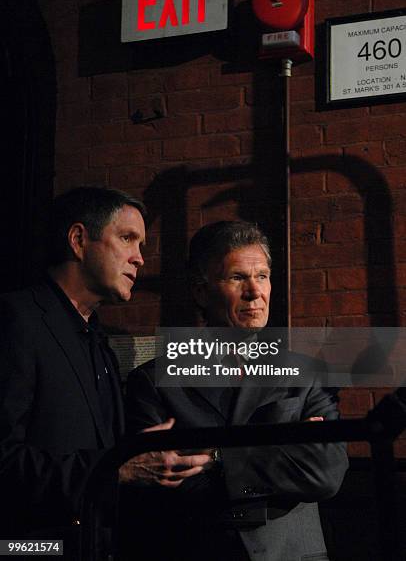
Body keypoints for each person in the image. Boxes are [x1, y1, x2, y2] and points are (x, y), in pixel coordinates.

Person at [0, 186, 211, 560]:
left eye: (142, 245)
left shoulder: (100, 343)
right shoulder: (15, 320)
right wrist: (116, 467)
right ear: (79, 240)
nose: (140, 259)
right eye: (128, 239)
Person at [123, 220, 349, 561]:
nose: (254, 292)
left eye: (262, 276)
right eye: (237, 277)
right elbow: (164, 489)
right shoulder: (153, 382)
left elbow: (326, 473)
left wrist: (217, 458)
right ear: (201, 291)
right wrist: (283, 453)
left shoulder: (305, 374)